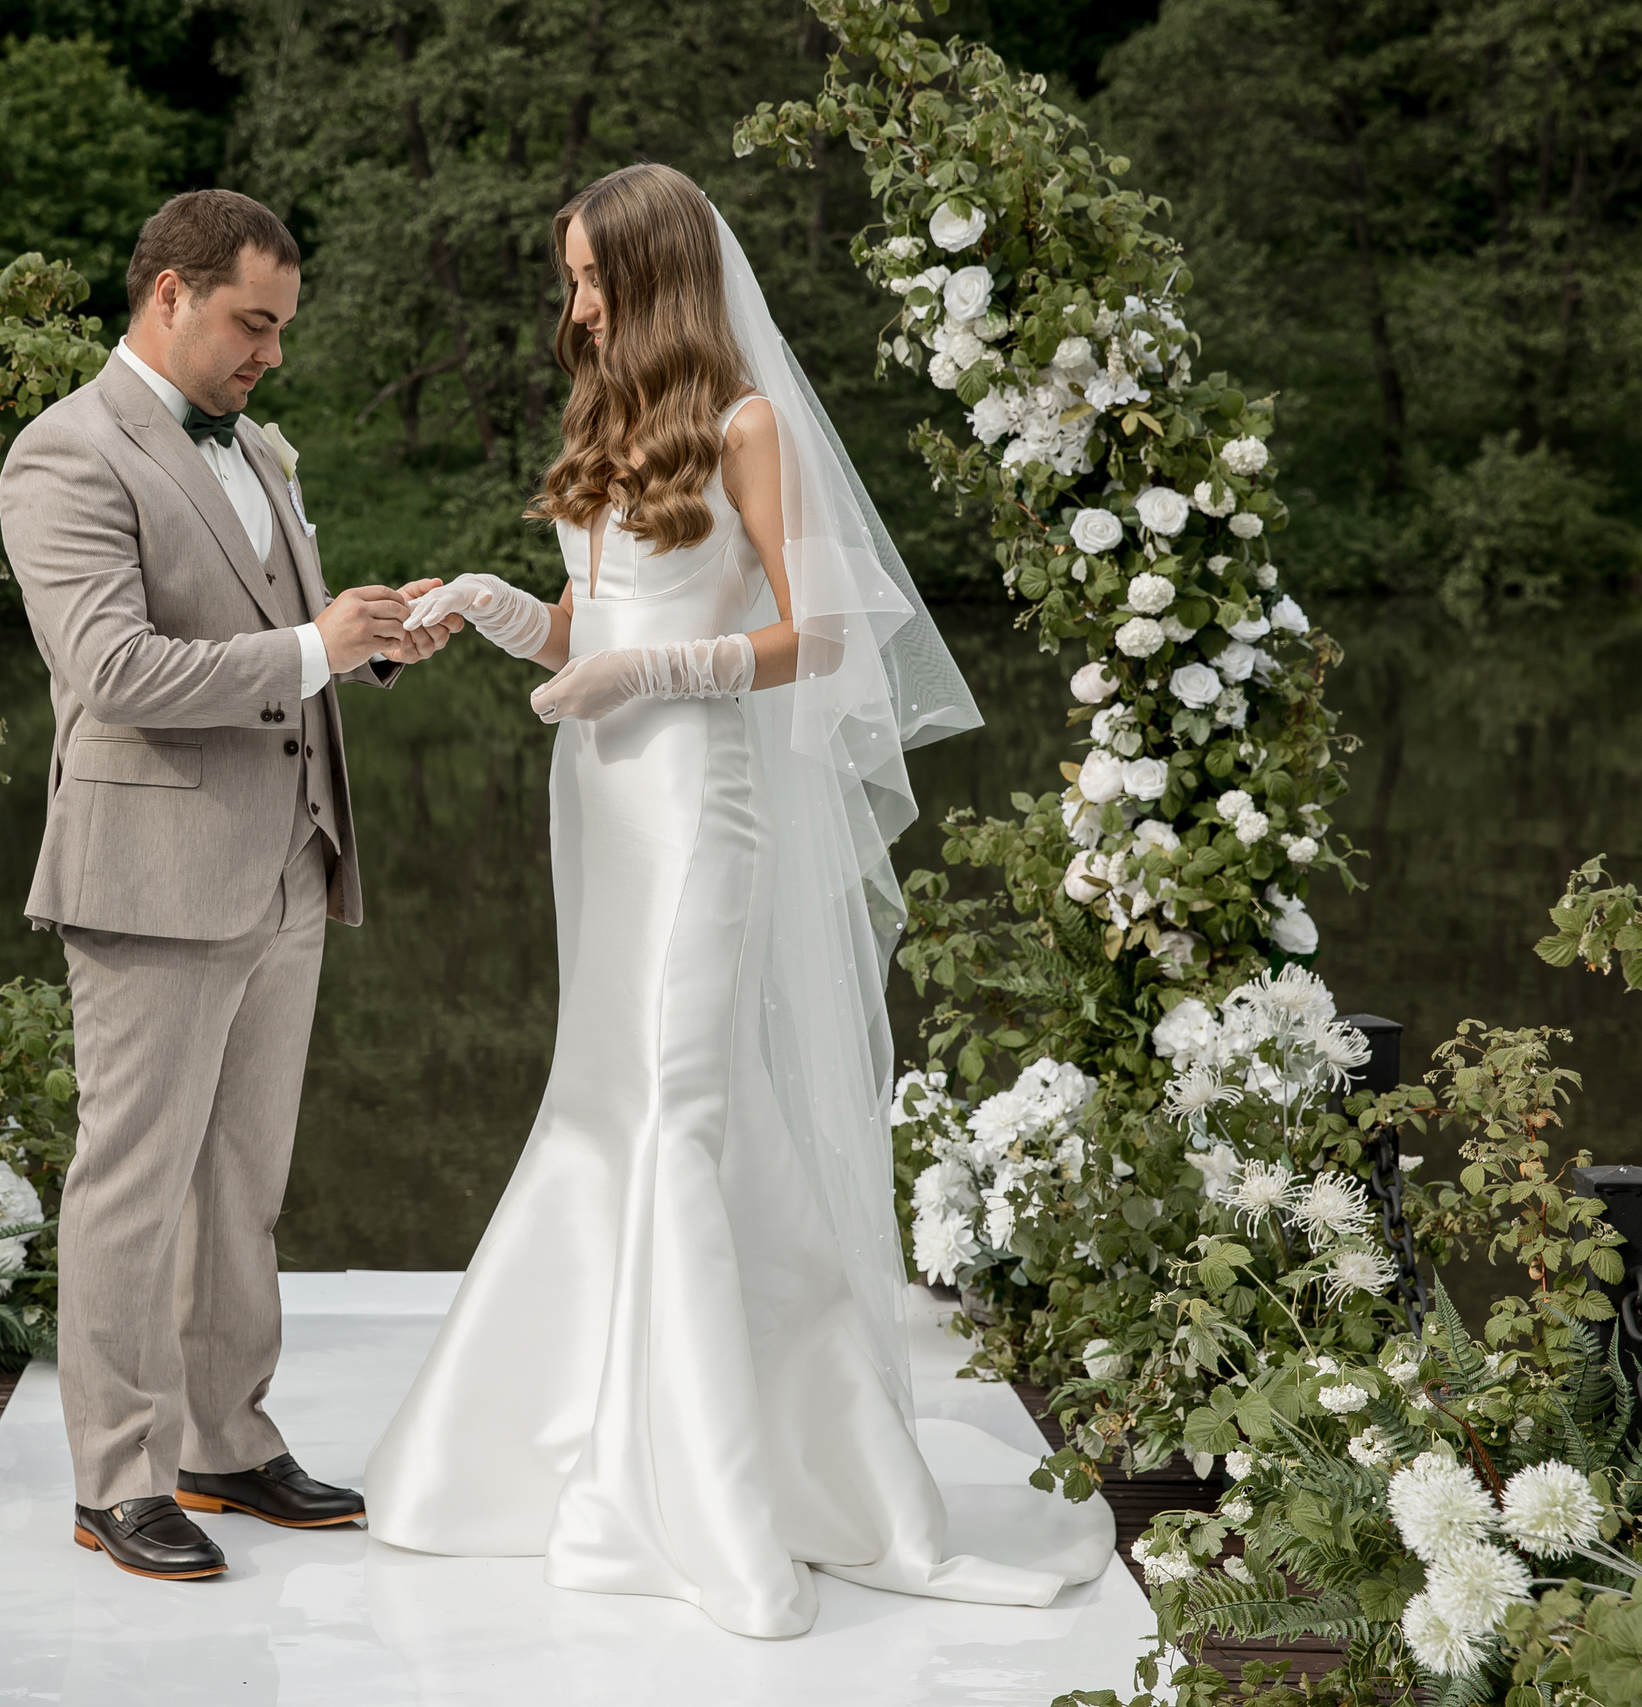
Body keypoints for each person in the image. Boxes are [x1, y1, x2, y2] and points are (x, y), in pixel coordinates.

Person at [365, 162, 1113, 1637]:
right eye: (570, 279)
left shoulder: (750, 426)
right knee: (607, 1102)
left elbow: (816, 638)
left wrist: (655, 674)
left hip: (699, 803)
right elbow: (587, 623)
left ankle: (713, 1490)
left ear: (660, 277)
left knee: (682, 1105)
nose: (575, 305)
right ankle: (624, 1439)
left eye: (594, 278)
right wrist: (483, 605)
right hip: (599, 806)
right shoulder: (606, 421)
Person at [0, 189, 458, 1582]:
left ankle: (224, 1439)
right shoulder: (66, 454)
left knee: (241, 1185)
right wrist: (313, 646)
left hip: (287, 865)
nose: (271, 354)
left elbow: (276, 637)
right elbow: (118, 673)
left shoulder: (262, 444)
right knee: (131, 1183)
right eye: (253, 324)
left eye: (282, 329)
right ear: (169, 298)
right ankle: (116, 1478)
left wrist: (369, 644)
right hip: (149, 874)